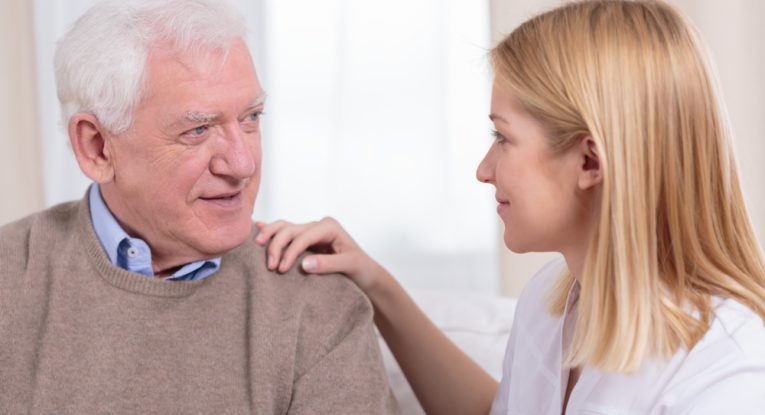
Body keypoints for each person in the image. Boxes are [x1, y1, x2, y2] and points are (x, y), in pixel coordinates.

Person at [256, 1, 765, 414]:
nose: (483, 168)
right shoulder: (554, 301)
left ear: (590, 160)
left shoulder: (729, 368)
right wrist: (375, 284)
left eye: (503, 137)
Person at [0, 0, 399, 413]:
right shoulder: (10, 276)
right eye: (198, 129)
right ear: (97, 147)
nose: (243, 164)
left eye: (251, 117)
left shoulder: (319, 307)